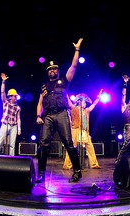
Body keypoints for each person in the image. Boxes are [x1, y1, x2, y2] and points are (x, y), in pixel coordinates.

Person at [35, 38, 84, 183]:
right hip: (48, 116)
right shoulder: (43, 86)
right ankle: (41, 173)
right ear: (47, 72)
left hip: (62, 113)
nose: (52, 71)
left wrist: (77, 50)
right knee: (43, 143)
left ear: (57, 70)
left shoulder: (64, 80)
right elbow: (40, 103)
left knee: (68, 143)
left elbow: (74, 66)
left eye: (54, 69)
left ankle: (77, 171)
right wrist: (38, 115)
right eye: (50, 69)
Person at [63, 90, 103, 170]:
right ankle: (67, 164)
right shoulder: (74, 108)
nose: (85, 104)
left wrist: (98, 98)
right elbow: (69, 103)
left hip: (85, 131)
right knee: (72, 147)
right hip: (75, 129)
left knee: (90, 146)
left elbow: (93, 105)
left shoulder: (86, 111)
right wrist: (65, 94)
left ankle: (94, 164)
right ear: (80, 102)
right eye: (84, 102)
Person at [0, 73, 21, 156]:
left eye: (16, 96)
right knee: (0, 142)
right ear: (10, 97)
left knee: (12, 145)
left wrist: (19, 129)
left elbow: (18, 118)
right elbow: (2, 93)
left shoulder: (18, 107)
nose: (15, 97)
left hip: (14, 126)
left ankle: (12, 160)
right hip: (5, 124)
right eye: (14, 96)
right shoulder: (6, 103)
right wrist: (3, 82)